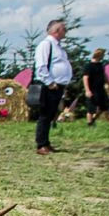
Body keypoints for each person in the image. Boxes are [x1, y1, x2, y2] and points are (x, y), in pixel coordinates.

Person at [34, 20, 73, 155]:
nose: (65, 31)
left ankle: (46, 142)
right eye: (63, 29)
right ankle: (41, 144)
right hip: (49, 86)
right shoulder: (46, 45)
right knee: (45, 115)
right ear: (56, 31)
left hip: (57, 86)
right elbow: (41, 66)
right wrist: (50, 82)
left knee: (51, 114)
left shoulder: (57, 46)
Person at [83, 48, 109, 126]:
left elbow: (104, 75)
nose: (103, 56)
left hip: (101, 89)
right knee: (91, 109)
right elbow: (85, 78)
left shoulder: (101, 65)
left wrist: (108, 83)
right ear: (99, 55)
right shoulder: (89, 66)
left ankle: (93, 120)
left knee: (104, 107)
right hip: (92, 89)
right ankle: (89, 124)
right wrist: (87, 90)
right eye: (103, 55)